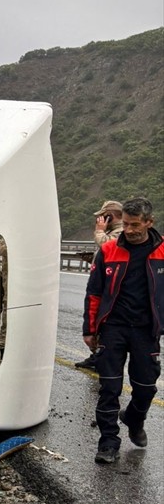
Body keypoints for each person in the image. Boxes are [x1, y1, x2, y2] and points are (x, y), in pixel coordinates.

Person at [82, 196, 163, 464]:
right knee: (109, 388)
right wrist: (90, 328)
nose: (128, 230)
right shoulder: (108, 251)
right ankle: (108, 442)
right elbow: (94, 292)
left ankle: (134, 418)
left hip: (145, 331)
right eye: (126, 224)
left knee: (145, 388)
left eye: (135, 224)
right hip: (113, 328)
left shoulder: (162, 251)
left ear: (149, 222)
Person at [75, 199, 123, 371]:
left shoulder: (121, 231)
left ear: (111, 216)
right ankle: (97, 355)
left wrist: (99, 231)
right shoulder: (113, 231)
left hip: (111, 288)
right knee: (96, 319)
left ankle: (101, 358)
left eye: (103, 216)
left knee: (104, 321)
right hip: (102, 281)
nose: (100, 220)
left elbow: (108, 245)